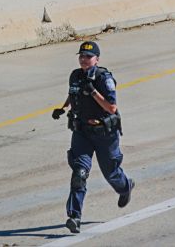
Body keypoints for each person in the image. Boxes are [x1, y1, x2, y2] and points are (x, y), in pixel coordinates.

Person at [52, 40, 134, 234]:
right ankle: (74, 217)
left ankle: (125, 187)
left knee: (111, 173)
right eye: (81, 56)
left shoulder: (103, 78)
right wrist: (63, 108)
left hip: (104, 133)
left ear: (96, 59)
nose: (84, 59)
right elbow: (73, 95)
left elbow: (111, 108)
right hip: (82, 132)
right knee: (79, 173)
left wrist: (94, 92)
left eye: (88, 56)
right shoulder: (75, 76)